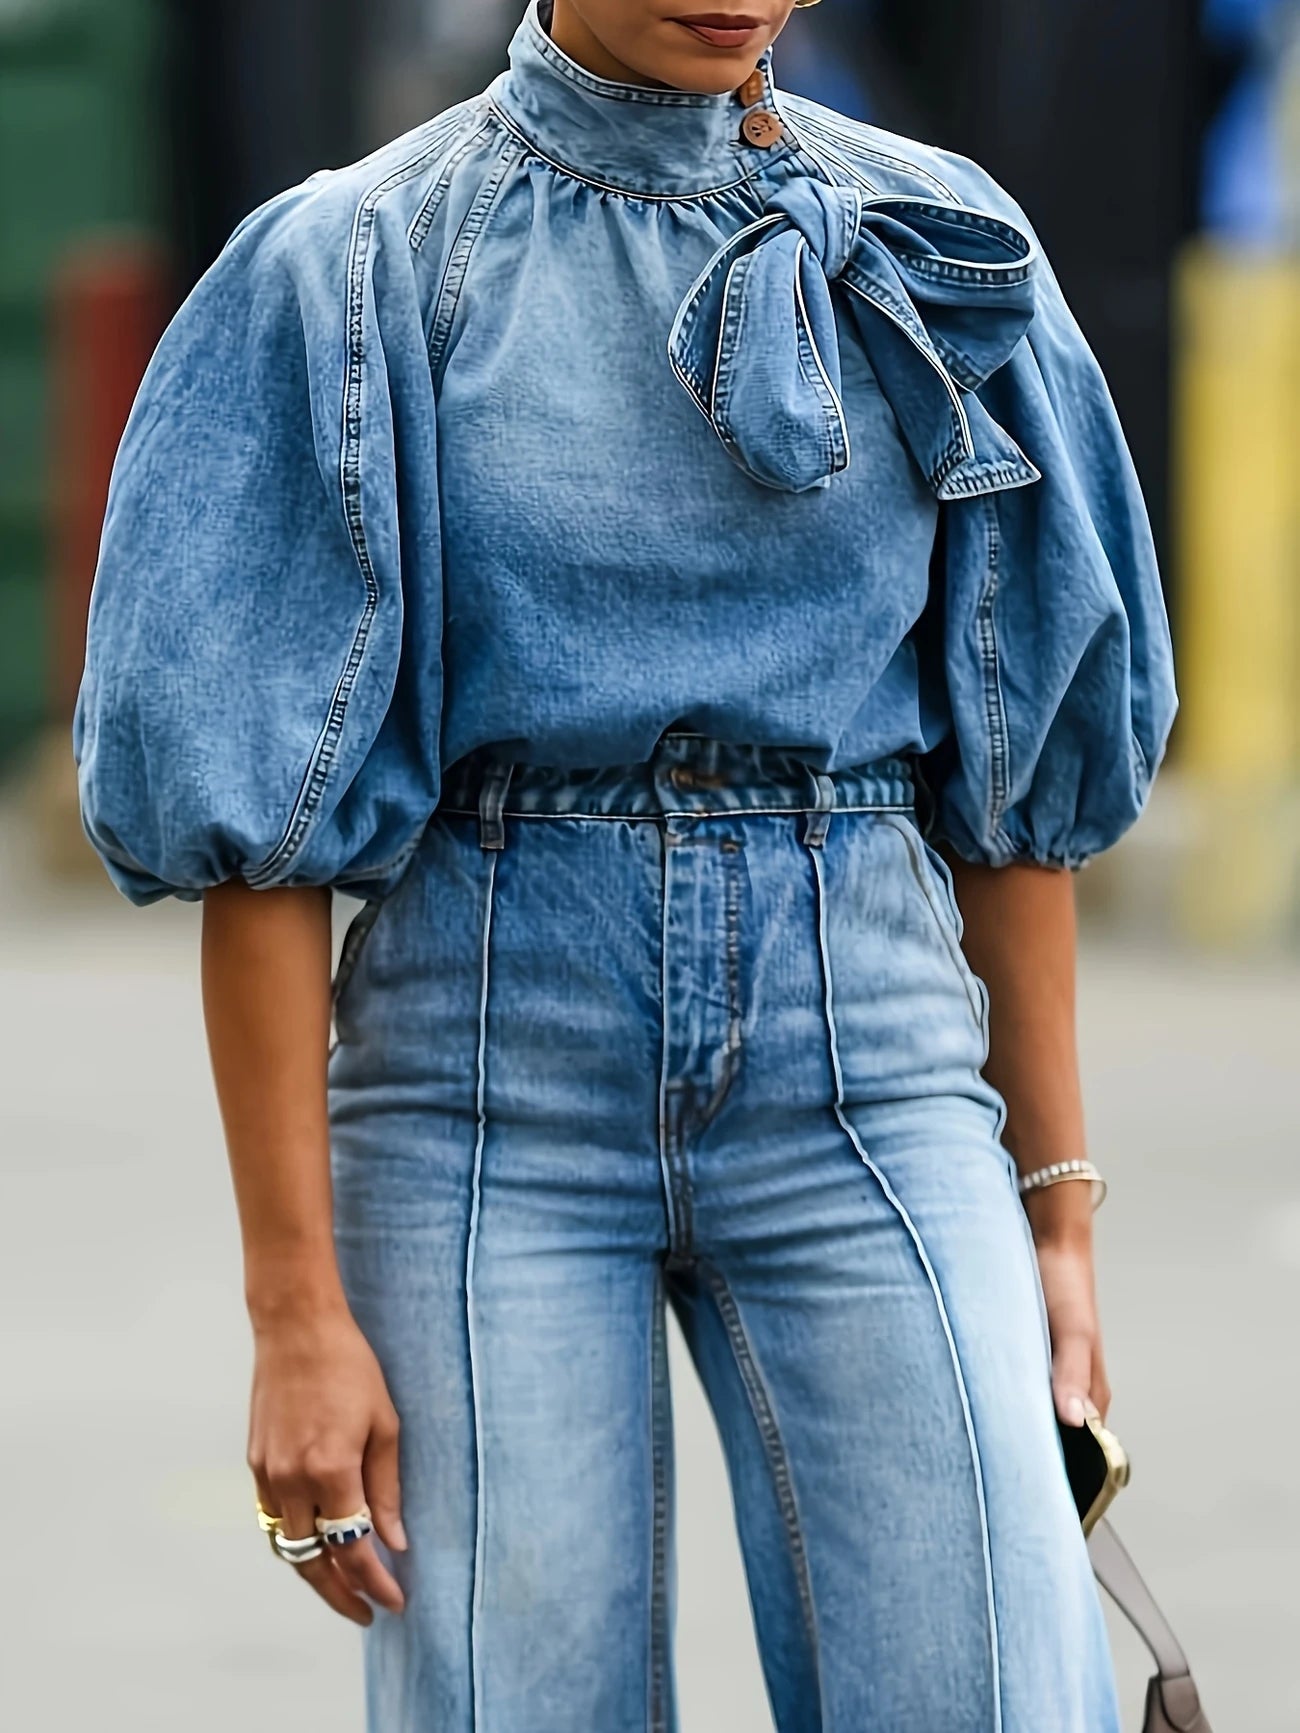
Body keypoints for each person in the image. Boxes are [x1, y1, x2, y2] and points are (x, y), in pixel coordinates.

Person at [74, 2, 1177, 1728]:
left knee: (995, 1689)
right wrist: (296, 1309)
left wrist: (1059, 1216)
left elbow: (1015, 774)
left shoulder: (939, 245)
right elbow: (263, 840)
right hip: (481, 1082)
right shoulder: (362, 262)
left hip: (874, 1068)